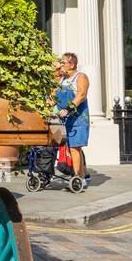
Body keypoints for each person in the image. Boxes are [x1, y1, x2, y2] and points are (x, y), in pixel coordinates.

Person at [55, 52, 91, 185]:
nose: (61, 65)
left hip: (78, 118)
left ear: (72, 64)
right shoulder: (62, 79)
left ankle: (78, 177)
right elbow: (54, 96)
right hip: (64, 119)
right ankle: (81, 176)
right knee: (70, 147)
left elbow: (81, 95)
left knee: (75, 147)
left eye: (63, 63)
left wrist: (69, 109)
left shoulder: (80, 77)